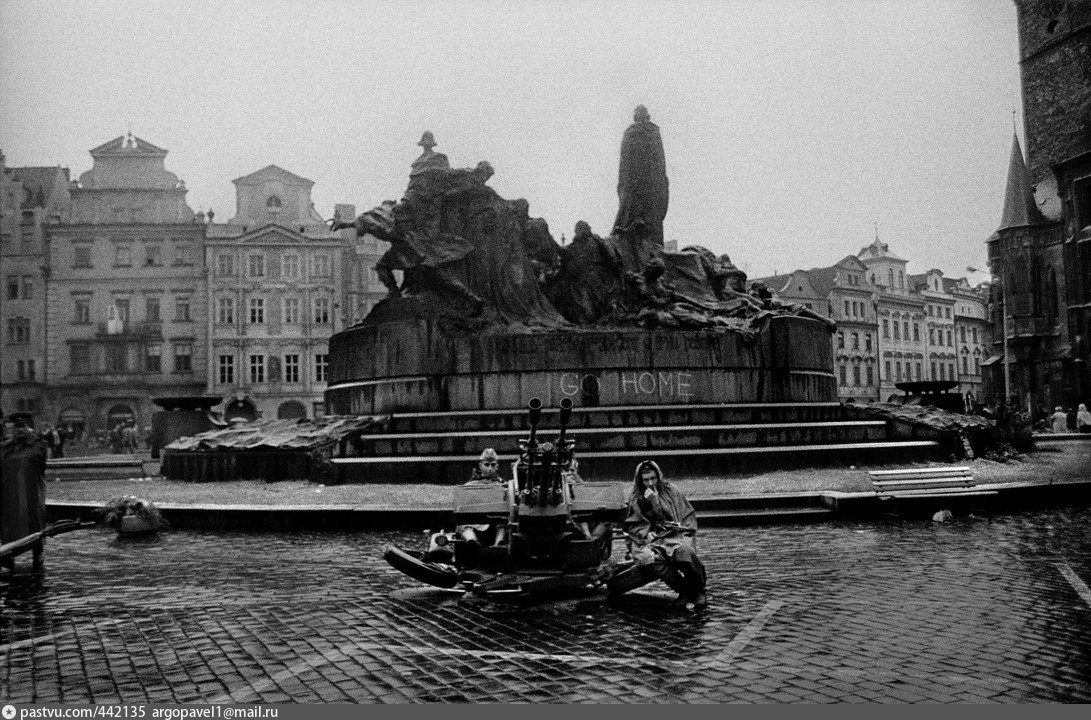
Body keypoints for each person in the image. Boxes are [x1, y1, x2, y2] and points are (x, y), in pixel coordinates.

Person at [623, 460, 707, 608]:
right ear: (640, 480)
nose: (650, 483)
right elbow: (633, 524)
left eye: (653, 478)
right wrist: (646, 533)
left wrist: (656, 503)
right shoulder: (636, 497)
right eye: (646, 480)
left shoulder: (670, 491)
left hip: (673, 534)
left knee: (684, 552)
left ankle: (699, 590)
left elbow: (677, 518)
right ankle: (684, 590)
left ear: (659, 477)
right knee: (651, 559)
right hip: (650, 540)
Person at [1, 413, 48, 571]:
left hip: (30, 490)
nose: (19, 430)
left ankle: (37, 552)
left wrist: (30, 440)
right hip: (9, 492)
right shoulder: (6, 447)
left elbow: (40, 461)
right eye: (17, 427)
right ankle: (8, 555)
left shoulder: (38, 445)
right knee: (8, 522)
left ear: (30, 427)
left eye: (23, 426)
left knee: (33, 519)